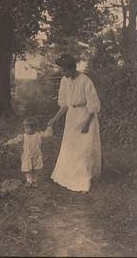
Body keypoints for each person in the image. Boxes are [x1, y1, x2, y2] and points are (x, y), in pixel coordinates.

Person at [48, 54, 101, 193]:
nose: (62, 73)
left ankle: (84, 181)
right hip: (72, 116)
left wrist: (86, 124)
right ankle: (69, 177)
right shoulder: (65, 80)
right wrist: (55, 118)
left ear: (72, 68)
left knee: (84, 150)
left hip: (86, 115)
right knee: (70, 147)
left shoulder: (85, 81)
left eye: (64, 71)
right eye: (61, 71)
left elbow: (94, 105)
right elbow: (65, 104)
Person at [4, 117, 53, 188]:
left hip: (36, 155)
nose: (26, 130)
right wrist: (8, 143)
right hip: (27, 155)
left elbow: (47, 134)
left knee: (35, 170)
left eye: (28, 128)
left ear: (34, 128)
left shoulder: (38, 135)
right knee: (28, 170)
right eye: (25, 128)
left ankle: (34, 181)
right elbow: (16, 140)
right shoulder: (23, 136)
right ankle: (29, 181)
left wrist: (49, 127)